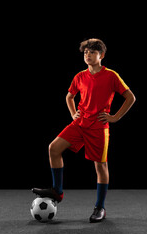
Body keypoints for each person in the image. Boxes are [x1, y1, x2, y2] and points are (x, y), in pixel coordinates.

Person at [32, 38, 136, 222]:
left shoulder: (111, 75)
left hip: (98, 127)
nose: (88, 55)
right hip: (80, 124)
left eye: (92, 52)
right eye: (85, 52)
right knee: (53, 148)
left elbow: (130, 97)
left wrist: (115, 117)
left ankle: (100, 208)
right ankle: (58, 191)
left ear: (101, 55)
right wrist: (74, 113)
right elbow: (69, 96)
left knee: (100, 166)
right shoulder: (79, 76)